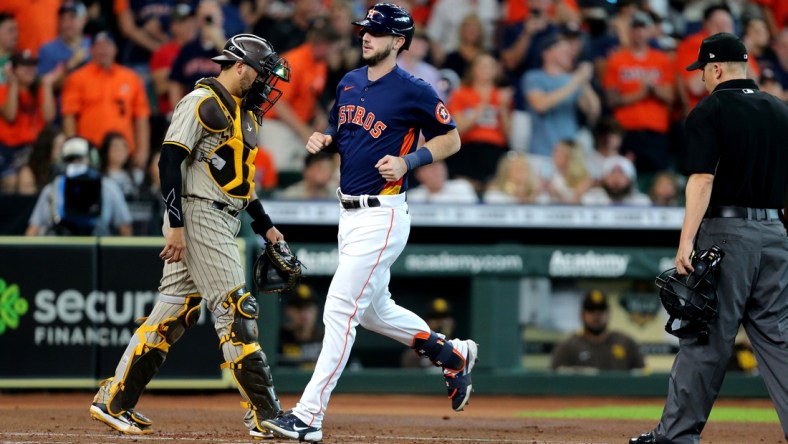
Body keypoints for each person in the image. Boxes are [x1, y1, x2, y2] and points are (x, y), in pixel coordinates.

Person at [262, 4, 476, 442]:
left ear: (398, 41)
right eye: (364, 30)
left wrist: (409, 160)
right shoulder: (349, 80)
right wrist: (327, 137)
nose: (366, 37)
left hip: (383, 214)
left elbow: (451, 138)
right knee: (377, 311)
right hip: (347, 212)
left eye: (376, 32)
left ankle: (308, 416)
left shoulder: (413, 89)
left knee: (340, 308)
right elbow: (347, 130)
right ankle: (452, 353)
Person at [88, 33, 292, 439]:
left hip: (223, 213)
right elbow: (169, 159)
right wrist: (177, 224)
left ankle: (114, 400)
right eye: (263, 73)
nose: (267, 84)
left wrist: (264, 224)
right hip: (198, 213)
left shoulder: (243, 113)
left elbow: (238, 181)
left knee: (173, 313)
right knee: (237, 309)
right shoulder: (201, 101)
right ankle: (265, 411)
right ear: (240, 67)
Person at [630, 32, 788, 444]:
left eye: (702, 70)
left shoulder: (711, 110)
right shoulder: (780, 110)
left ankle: (676, 435)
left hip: (727, 232)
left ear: (716, 68)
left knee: (703, 334)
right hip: (776, 233)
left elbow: (702, 179)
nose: (700, 77)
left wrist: (686, 241)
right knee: (780, 339)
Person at [60, 31, 151, 170]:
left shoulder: (131, 78)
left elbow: (141, 117)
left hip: (123, 153)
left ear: (115, 49)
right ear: (91, 50)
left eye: (108, 45)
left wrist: (143, 150)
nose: (103, 50)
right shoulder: (77, 78)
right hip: (89, 152)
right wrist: (74, 149)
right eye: (99, 46)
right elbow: (69, 116)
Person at [25, 136, 133, 236]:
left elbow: (125, 229)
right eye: (70, 160)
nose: (75, 164)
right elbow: (32, 230)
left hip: (96, 248)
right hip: (59, 251)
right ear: (61, 162)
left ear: (92, 160)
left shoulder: (108, 187)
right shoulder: (51, 189)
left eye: (80, 159)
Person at [551, 290, 645, 372]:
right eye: (591, 310)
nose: (596, 315)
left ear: (608, 314)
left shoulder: (627, 344)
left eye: (601, 310)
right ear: (582, 315)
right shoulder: (568, 348)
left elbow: (642, 378)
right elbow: (555, 382)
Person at [401, 297, 456, 369]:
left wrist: (446, 337)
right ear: (426, 321)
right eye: (434, 317)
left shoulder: (460, 348)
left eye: (444, 317)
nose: (440, 322)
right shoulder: (414, 353)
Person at [278, 283, 324, 369]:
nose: (303, 313)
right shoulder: (279, 339)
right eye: (298, 307)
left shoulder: (326, 338)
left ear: (316, 310)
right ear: (288, 311)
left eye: (308, 307)